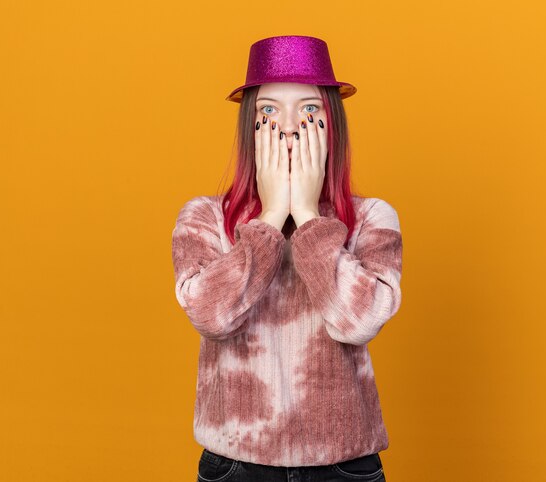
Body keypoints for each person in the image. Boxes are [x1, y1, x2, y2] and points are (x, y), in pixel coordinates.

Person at [171, 35, 402, 482]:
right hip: (236, 465)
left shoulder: (374, 217)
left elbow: (358, 323)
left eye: (310, 111)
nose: (290, 128)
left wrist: (310, 217)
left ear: (332, 124)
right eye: (269, 112)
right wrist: (272, 216)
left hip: (344, 465)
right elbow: (211, 316)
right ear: (249, 126)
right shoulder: (203, 218)